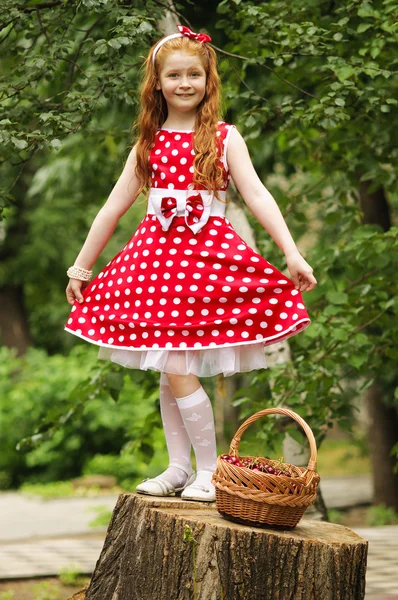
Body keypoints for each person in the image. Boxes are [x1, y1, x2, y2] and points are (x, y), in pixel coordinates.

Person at [65, 25, 317, 502]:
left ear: (208, 79)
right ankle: (178, 467)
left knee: (177, 365)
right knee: (169, 368)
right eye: (174, 75)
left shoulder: (224, 137)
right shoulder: (148, 143)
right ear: (157, 83)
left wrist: (291, 251)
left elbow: (258, 195)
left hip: (205, 265)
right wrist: (81, 267)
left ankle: (209, 470)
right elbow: (112, 208)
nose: (185, 83)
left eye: (194, 75)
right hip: (154, 269)